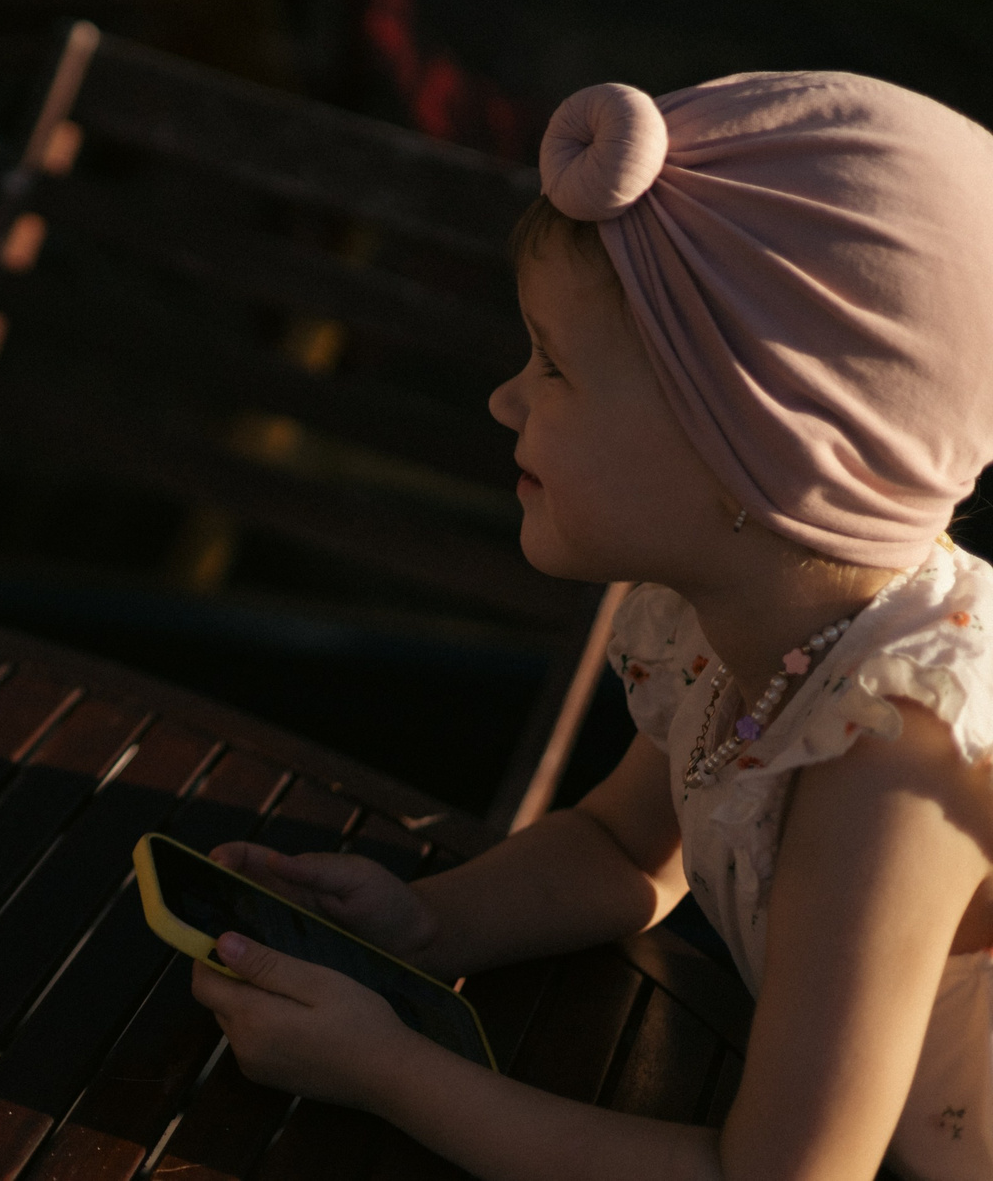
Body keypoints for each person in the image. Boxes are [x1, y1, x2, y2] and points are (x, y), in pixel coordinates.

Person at [193, 73, 993, 1176]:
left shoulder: (893, 756)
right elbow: (626, 850)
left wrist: (391, 1073)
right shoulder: (724, 616)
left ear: (758, 449)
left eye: (554, 365)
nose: (504, 399)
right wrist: (430, 925)